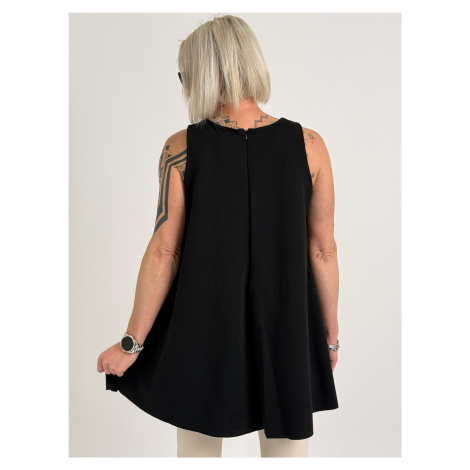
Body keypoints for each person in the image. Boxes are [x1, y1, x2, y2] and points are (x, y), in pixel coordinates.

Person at [97, 14, 339, 458]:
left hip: (202, 327)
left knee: (197, 456)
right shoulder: (309, 145)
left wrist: (132, 342)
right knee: (287, 456)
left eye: (185, 74)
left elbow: (165, 251)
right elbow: (322, 250)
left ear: (205, 73)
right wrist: (329, 336)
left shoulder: (180, 149)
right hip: (287, 326)